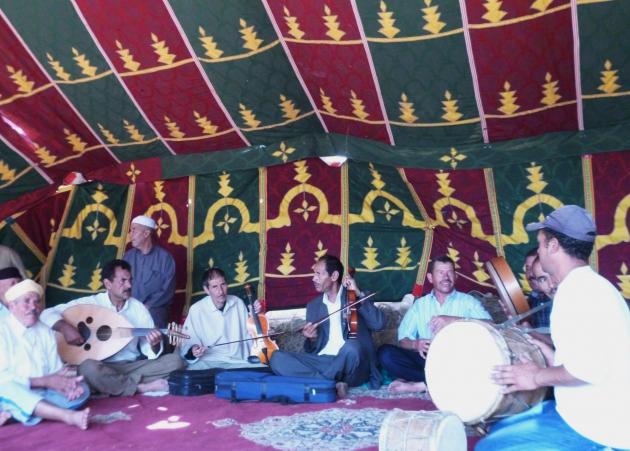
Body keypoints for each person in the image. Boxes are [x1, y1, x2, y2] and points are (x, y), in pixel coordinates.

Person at [476, 205, 630, 450]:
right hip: (584, 411)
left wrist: (535, 376)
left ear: (553, 245)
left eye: (540, 244)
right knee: (499, 429)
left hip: (599, 428)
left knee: (489, 447)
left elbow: (589, 370)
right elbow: (592, 358)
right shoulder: (591, 286)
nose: (539, 251)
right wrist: (547, 353)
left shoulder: (577, 294)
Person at [41, 259, 185, 397]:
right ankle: (141, 387)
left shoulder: (138, 308)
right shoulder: (92, 303)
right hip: (99, 365)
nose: (129, 285)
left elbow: (148, 351)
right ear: (108, 284)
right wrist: (65, 327)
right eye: (123, 281)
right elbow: (46, 314)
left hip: (130, 366)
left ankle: (110, 385)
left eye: (130, 280)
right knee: (88, 368)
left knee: (175, 362)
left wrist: (154, 345)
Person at [269, 255, 385, 396]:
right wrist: (311, 338)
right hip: (324, 362)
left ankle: (320, 384)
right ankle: (332, 383)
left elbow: (379, 324)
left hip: (353, 364)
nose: (313, 278)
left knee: (351, 346)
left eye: (318, 274)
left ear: (334, 276)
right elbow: (312, 351)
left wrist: (358, 294)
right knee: (277, 358)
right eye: (314, 274)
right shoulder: (313, 306)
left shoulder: (356, 297)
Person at [378, 255, 491, 393]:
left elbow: (491, 325)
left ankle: (422, 385)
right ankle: (436, 382)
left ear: (455, 276)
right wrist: (416, 344)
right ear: (430, 278)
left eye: (450, 272)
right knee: (386, 354)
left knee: (478, 362)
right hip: (428, 360)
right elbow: (403, 340)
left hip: (458, 359)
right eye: (441, 272)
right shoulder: (420, 305)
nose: (446, 277)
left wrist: (453, 320)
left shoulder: (468, 301)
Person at [0, 279, 90, 429]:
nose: (33, 307)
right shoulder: (2, 331)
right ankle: (67, 416)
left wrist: (66, 385)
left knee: (83, 390)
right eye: (27, 301)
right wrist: (46, 381)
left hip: (44, 393)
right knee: (8, 389)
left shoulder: (45, 330)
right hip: (11, 389)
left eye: (37, 302)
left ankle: (19, 412)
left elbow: (54, 372)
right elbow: (3, 378)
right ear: (12, 306)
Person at [180, 267, 265, 369]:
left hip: (237, 362)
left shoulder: (237, 302)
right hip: (208, 362)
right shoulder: (196, 309)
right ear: (206, 290)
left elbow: (251, 334)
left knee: (263, 369)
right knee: (190, 376)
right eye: (215, 286)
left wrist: (255, 314)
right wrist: (193, 350)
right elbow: (187, 341)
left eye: (223, 285)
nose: (220, 291)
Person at [123, 215, 176, 328]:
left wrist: (148, 306)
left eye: (134, 230)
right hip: (130, 308)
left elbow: (167, 289)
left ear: (146, 233)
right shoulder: (128, 257)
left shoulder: (165, 258)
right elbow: (121, 283)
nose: (130, 234)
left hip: (154, 310)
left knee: (153, 339)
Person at [524, 248, 551, 329]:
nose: (531, 274)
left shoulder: (562, 298)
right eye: (528, 268)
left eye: (534, 268)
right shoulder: (531, 299)